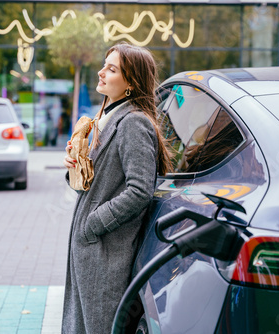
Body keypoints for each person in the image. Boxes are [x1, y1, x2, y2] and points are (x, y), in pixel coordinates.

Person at [62, 43, 172, 333]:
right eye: (104, 65)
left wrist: (93, 224)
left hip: (106, 253)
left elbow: (139, 191)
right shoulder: (107, 119)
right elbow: (98, 187)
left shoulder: (133, 122)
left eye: (111, 69)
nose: (101, 72)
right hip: (93, 250)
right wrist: (77, 168)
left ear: (131, 82)